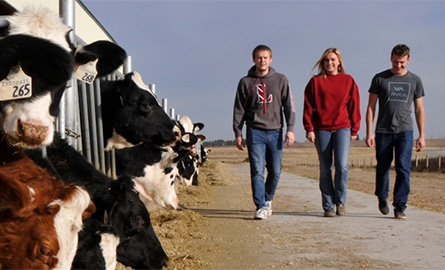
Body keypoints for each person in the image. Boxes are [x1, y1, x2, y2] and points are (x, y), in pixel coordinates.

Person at [233, 44, 296, 220]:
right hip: (255, 132)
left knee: (275, 171)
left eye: (265, 57)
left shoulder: (281, 79)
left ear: (271, 59)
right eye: (259, 57)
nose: (262, 60)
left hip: (276, 131)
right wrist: (238, 132)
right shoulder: (245, 82)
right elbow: (239, 109)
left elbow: (289, 106)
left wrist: (290, 129)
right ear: (254, 59)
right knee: (257, 170)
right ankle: (260, 205)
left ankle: (268, 199)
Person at [365, 44, 425, 220]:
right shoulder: (380, 79)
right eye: (395, 62)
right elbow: (370, 107)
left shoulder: (415, 80)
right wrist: (369, 132)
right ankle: (382, 197)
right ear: (391, 59)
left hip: (405, 131)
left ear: (408, 60)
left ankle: (400, 206)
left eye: (402, 63)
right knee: (383, 167)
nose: (398, 66)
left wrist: (422, 135)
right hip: (383, 130)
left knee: (403, 168)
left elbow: (419, 108)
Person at [303, 48, 361, 218]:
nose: (330, 63)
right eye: (326, 60)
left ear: (339, 62)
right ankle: (328, 205)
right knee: (325, 168)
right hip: (322, 130)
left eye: (333, 60)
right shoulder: (315, 82)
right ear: (322, 63)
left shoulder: (348, 81)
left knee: (342, 165)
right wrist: (309, 128)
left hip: (343, 127)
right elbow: (308, 107)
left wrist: (355, 129)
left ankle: (340, 202)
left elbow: (354, 106)